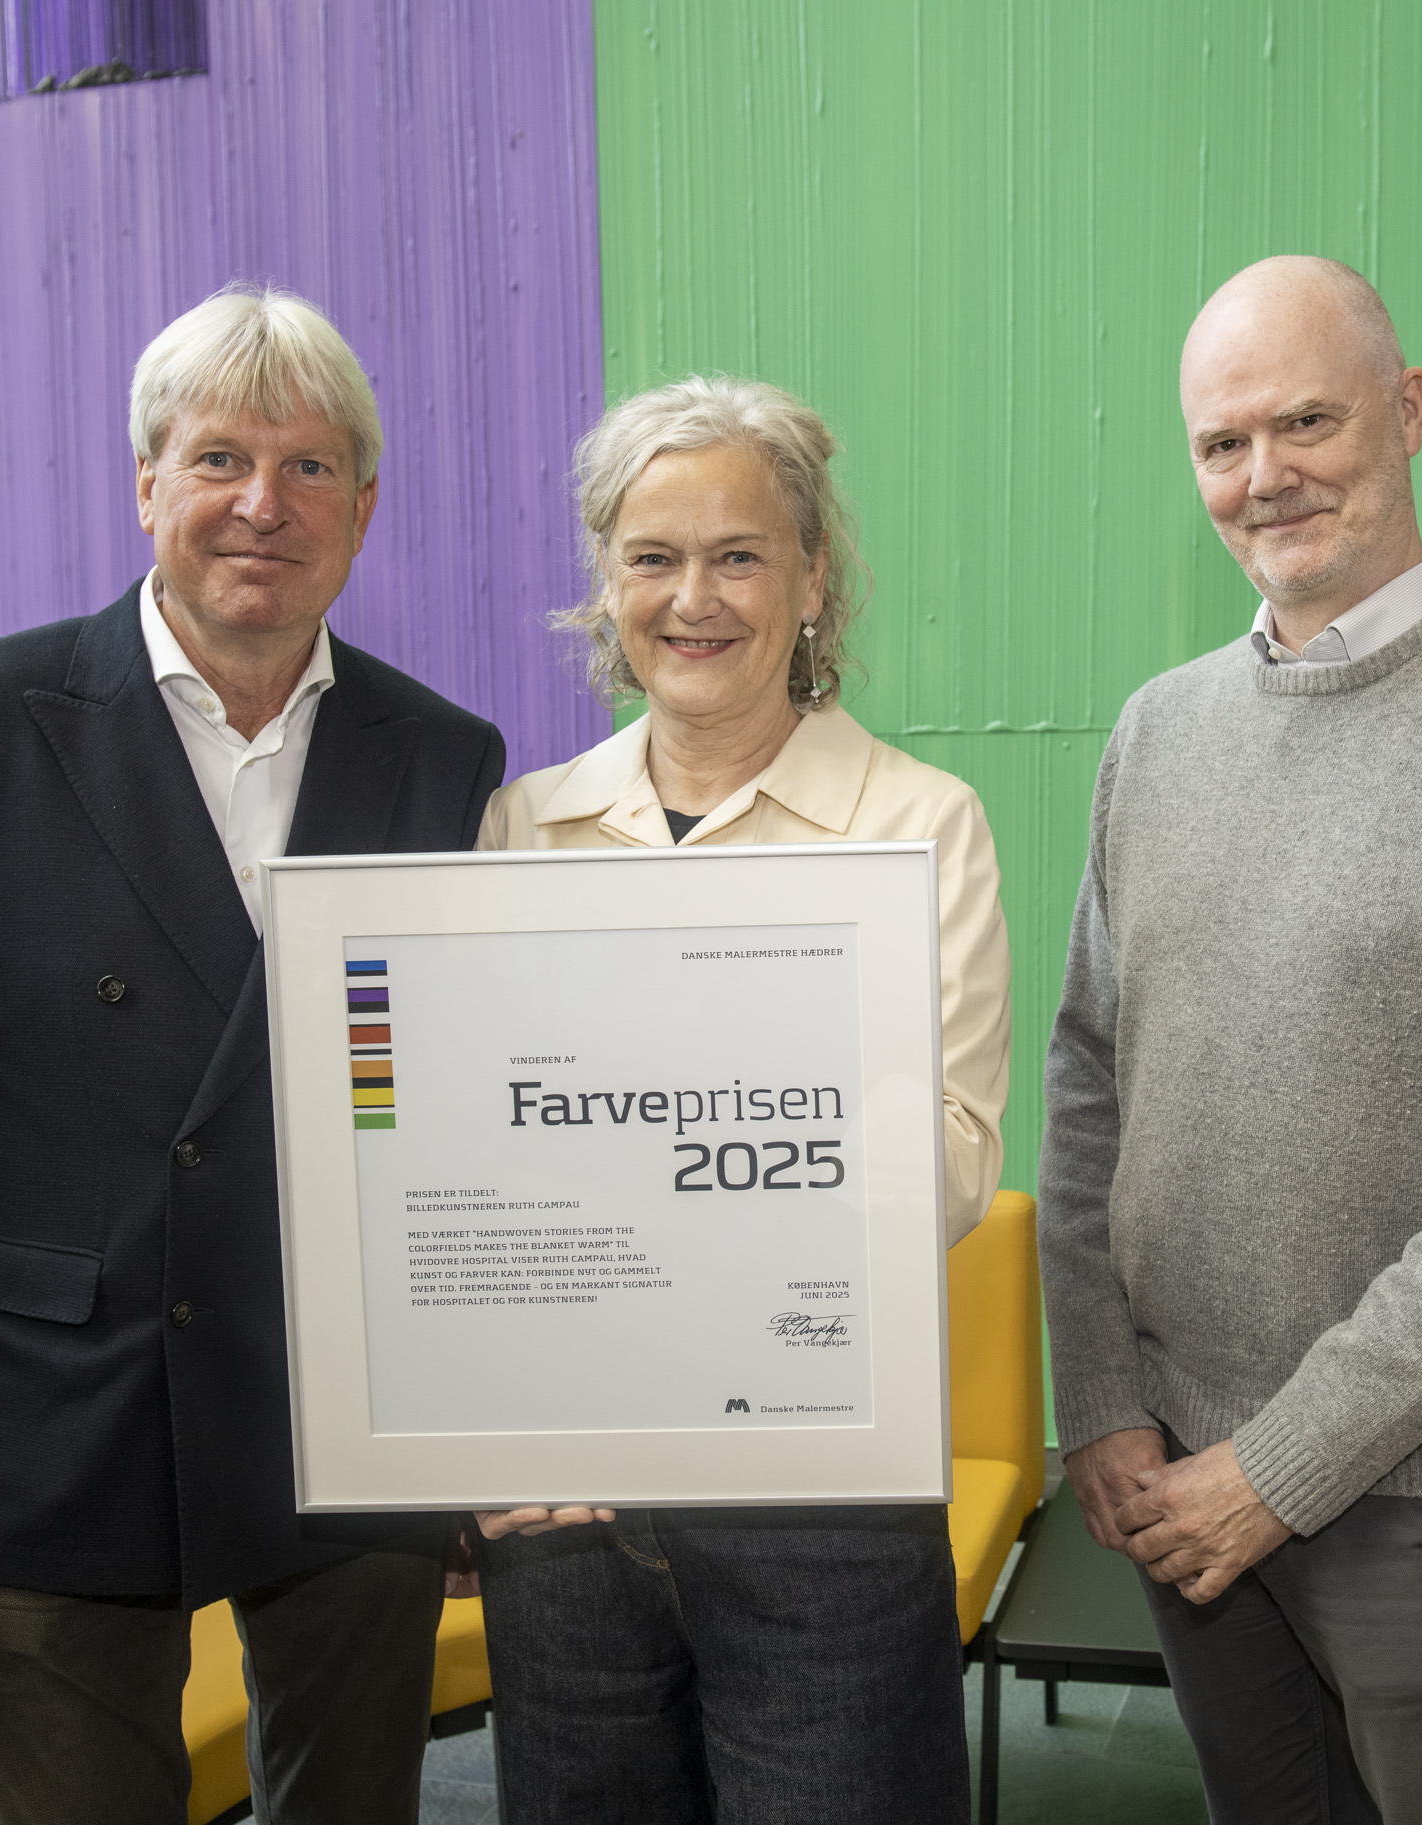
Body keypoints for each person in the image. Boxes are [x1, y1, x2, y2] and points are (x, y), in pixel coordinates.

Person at [0, 284, 504, 1825]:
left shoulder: (442, 757)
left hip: (341, 1431)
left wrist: (471, 1425)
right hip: (54, 1423)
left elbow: (450, 1132)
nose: (262, 503)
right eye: (219, 457)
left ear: (364, 510)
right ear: (147, 484)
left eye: (310, 467)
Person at [1038, 254, 1422, 1823]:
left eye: (1306, 421)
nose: (1265, 476)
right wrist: (1101, 1398)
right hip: (1178, 1473)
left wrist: (1278, 1469)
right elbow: (1088, 1082)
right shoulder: (1156, 732)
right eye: (1221, 442)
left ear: (1408, 410)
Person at [472, 374, 1009, 1824]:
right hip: (572, 1493)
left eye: (739, 555)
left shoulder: (919, 824)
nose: (692, 598)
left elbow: (948, 1167)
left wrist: (637, 1148)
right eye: (652, 556)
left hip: (819, 1491)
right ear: (607, 583)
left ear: (813, 578)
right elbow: (482, 1160)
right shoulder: (523, 826)